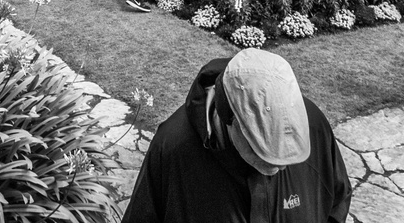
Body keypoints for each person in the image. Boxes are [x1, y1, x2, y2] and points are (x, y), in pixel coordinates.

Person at [122, 48, 351, 223]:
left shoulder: (314, 125)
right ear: (226, 115)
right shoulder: (173, 148)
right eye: (260, 147)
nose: (279, 165)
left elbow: (338, 200)